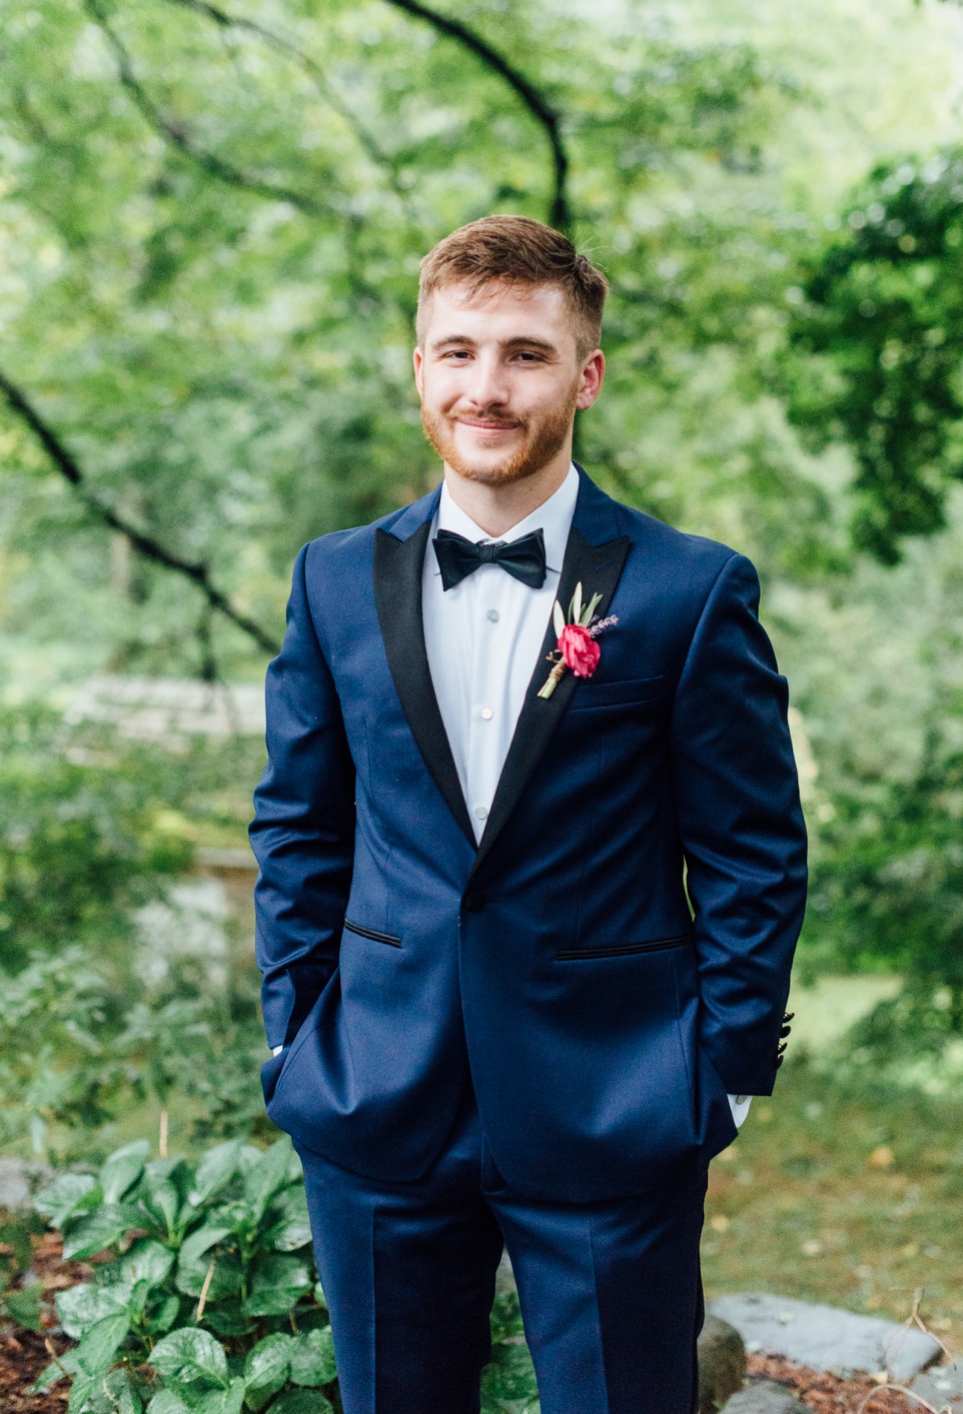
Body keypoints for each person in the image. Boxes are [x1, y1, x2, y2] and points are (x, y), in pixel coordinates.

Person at [250, 215, 806, 1412]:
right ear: (418, 369)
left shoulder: (687, 591)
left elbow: (753, 850)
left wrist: (722, 1073)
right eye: (456, 352)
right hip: (376, 1098)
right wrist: (294, 1034)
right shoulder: (332, 580)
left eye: (523, 354)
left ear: (585, 375)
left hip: (614, 1100)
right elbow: (298, 825)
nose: (485, 387)